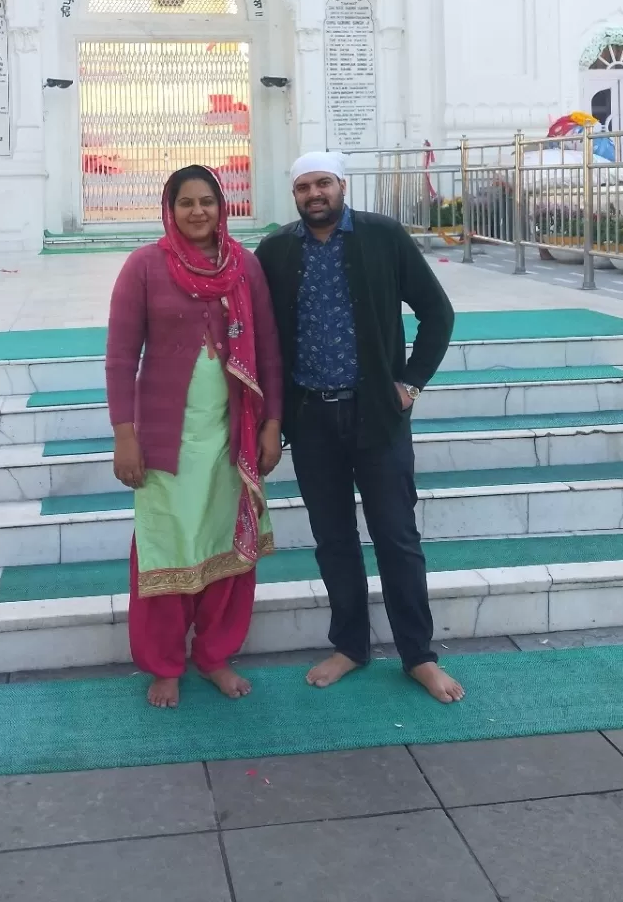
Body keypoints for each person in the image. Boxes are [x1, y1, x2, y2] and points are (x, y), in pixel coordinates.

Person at [256, 151, 463, 704]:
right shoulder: (276, 250)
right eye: (303, 187)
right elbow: (263, 338)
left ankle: (418, 655)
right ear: (294, 195)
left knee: (396, 537)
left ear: (342, 185)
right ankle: (350, 645)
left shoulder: (382, 236)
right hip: (311, 419)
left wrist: (410, 382)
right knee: (333, 540)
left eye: (323, 183)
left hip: (378, 417)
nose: (314, 194)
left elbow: (437, 313)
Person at [106, 165, 283, 708]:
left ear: (221, 206)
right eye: (186, 203)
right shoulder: (144, 267)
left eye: (207, 201)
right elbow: (119, 357)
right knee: (166, 548)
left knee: (227, 546)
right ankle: (163, 665)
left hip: (232, 436)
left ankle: (213, 656)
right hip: (166, 439)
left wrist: (272, 423)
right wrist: (124, 435)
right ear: (170, 208)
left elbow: (271, 350)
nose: (198, 212)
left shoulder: (244, 266)